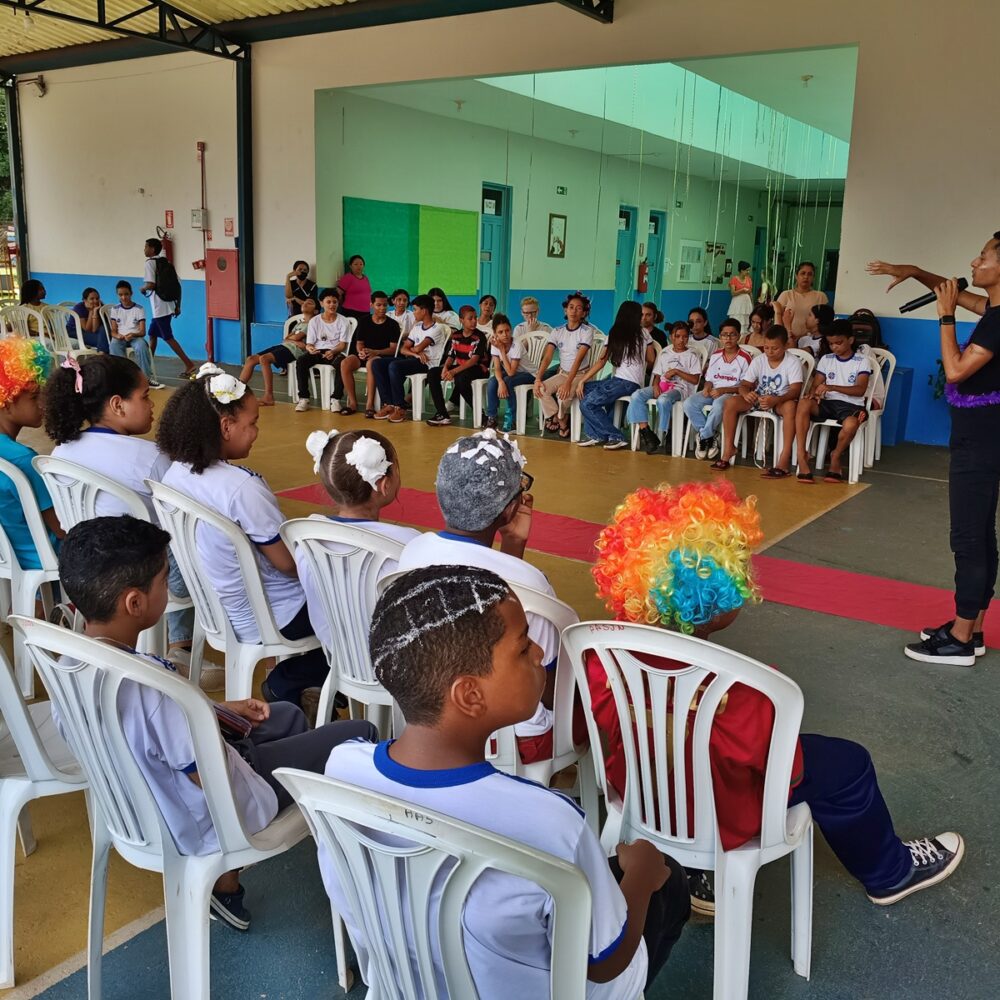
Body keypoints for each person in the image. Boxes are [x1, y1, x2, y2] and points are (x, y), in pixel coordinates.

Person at [588, 480, 964, 912]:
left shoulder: (601, 660)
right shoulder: (747, 691)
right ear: (717, 597)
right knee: (849, 764)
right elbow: (786, 771)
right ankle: (891, 873)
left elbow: (590, 731)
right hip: (721, 815)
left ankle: (694, 872)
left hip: (639, 799)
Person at [320, 565, 690, 997]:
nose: (538, 653)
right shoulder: (549, 821)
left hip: (407, 983)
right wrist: (642, 877)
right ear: (470, 695)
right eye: (522, 648)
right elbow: (605, 963)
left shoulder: (342, 769)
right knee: (670, 882)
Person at [55, 516, 377, 931]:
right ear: (135, 603)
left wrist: (217, 712)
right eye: (163, 579)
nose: (168, 587)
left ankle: (297, 818)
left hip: (148, 796)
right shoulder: (156, 691)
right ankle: (232, 882)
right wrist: (238, 751)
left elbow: (158, 734)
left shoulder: (68, 664)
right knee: (360, 735)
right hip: (211, 812)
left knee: (290, 715)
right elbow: (208, 776)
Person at [156, 365, 329, 709]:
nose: (256, 432)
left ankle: (318, 688)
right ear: (225, 427)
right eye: (251, 424)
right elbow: (288, 565)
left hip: (220, 607)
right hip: (274, 614)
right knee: (358, 603)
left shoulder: (175, 474)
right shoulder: (240, 488)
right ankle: (289, 681)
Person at [868, 236, 1000, 666]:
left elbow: (957, 369)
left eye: (984, 256)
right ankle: (973, 628)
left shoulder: (998, 321)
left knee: (967, 536)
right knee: (979, 533)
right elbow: (958, 293)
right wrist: (916, 273)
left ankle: (960, 639)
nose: (974, 261)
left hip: (981, 442)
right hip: (982, 436)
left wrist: (944, 318)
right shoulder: (995, 310)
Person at [44, 353, 209, 683]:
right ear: (118, 405)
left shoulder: (60, 452)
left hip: (84, 567)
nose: (151, 406)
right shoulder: (148, 458)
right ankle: (183, 644)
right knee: (195, 544)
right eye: (145, 396)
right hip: (140, 571)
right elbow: (184, 512)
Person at [396, 430, 557, 763]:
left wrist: (513, 549)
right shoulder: (529, 583)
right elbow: (548, 679)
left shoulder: (412, 553)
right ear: (511, 509)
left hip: (429, 725)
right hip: (512, 739)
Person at [299, 429, 419, 651]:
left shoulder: (306, 538)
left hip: (339, 657)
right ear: (384, 484)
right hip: (400, 664)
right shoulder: (408, 545)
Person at [0, 338, 62, 570]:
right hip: (44, 560)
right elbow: (62, 528)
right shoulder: (22, 459)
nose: (43, 404)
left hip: (8, 560)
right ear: (6, 401)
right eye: (35, 397)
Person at [714, 325, 803, 477]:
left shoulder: (792, 362)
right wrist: (746, 394)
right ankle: (729, 448)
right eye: (766, 347)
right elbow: (744, 384)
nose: (769, 352)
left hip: (780, 400)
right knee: (730, 403)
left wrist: (776, 400)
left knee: (790, 407)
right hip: (759, 398)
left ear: (785, 346)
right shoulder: (760, 360)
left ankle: (784, 458)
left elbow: (795, 390)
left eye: (774, 348)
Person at [794, 319, 871, 485]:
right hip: (828, 403)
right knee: (803, 403)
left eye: (839, 343)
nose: (835, 347)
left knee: (850, 425)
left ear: (850, 340)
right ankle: (801, 455)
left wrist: (832, 387)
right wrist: (814, 394)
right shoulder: (826, 359)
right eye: (831, 344)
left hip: (852, 406)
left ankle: (836, 455)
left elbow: (860, 390)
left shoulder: (861, 361)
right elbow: (816, 385)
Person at [578, 301, 656, 450]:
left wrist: (582, 379)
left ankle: (616, 436)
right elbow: (651, 359)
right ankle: (595, 434)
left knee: (587, 403)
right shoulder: (644, 333)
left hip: (623, 382)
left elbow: (601, 361)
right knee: (586, 389)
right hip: (627, 383)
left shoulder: (614, 333)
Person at [371, 294, 448, 424]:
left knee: (395, 366)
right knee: (377, 363)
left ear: (424, 311)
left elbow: (417, 347)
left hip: (428, 364)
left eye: (415, 309)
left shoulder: (437, 328)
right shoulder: (417, 327)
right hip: (416, 359)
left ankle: (400, 408)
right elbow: (404, 349)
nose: (414, 313)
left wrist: (415, 351)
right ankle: (388, 404)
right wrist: (415, 354)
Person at [627, 321, 701, 456]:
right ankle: (647, 434)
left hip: (679, 389)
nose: (681, 340)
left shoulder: (692, 355)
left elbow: (695, 379)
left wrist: (677, 371)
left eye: (685, 337)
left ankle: (663, 433)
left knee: (663, 399)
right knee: (637, 395)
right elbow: (657, 374)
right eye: (677, 336)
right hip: (662, 385)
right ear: (671, 336)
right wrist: (655, 384)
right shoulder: (665, 353)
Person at [684, 319, 752, 460]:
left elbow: (746, 386)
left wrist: (723, 390)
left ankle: (703, 437)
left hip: (732, 393)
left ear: (739, 336)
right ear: (720, 336)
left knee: (719, 404)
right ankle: (710, 434)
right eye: (724, 335)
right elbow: (709, 378)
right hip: (714, 390)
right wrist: (707, 387)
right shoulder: (715, 355)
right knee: (689, 403)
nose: (728, 338)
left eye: (732, 335)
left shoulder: (745, 358)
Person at [534, 291, 596, 439]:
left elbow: (578, 359)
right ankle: (561, 419)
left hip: (581, 376)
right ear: (565, 310)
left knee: (562, 396)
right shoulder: (557, 331)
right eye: (571, 307)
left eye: (578, 308)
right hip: (562, 373)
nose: (574, 311)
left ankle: (558, 419)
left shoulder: (587, 331)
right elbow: (548, 357)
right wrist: (537, 379)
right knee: (541, 388)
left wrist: (568, 383)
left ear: (584, 313)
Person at [240, 297, 317, 407]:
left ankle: (268, 396)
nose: (305, 303)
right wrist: (293, 340)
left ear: (315, 311)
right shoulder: (299, 323)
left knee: (264, 359)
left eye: (310, 303)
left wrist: (293, 339)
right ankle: (237, 389)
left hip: (294, 350)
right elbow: (288, 338)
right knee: (251, 359)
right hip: (285, 346)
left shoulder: (312, 323)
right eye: (304, 302)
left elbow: (297, 337)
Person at [141, 238, 197, 378]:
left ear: (152, 249)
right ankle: (147, 366)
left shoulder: (149, 263)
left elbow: (151, 285)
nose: (144, 249)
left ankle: (189, 364)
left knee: (168, 337)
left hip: (159, 307)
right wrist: (177, 305)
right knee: (153, 335)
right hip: (168, 304)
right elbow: (178, 284)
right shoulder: (165, 263)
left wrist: (142, 289)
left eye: (146, 247)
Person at [339, 291, 399, 418]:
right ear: (371, 305)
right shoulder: (364, 321)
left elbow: (393, 349)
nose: (382, 308)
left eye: (384, 305)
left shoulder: (392, 324)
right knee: (345, 363)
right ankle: (353, 403)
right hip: (365, 354)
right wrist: (361, 352)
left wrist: (376, 352)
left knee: (372, 363)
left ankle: (369, 404)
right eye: (378, 305)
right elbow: (359, 342)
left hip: (381, 356)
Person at [293, 288, 352, 413]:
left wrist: (333, 352)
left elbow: (342, 345)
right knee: (301, 361)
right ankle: (303, 398)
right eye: (328, 302)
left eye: (335, 302)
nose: (332, 305)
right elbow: (309, 343)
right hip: (318, 351)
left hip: (335, 351)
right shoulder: (315, 321)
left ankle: (335, 399)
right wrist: (310, 348)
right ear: (321, 303)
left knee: (342, 364)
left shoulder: (343, 321)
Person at [426, 305, 487, 426]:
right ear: (461, 320)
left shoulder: (479, 336)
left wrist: (453, 372)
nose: (474, 321)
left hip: (478, 369)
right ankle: (442, 414)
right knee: (433, 373)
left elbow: (473, 360)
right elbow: (451, 355)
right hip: (462, 368)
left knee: (461, 378)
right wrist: (445, 368)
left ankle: (481, 415)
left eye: (475, 317)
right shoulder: (456, 336)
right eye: (470, 318)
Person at [484, 313, 536, 432]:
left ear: (511, 329)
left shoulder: (516, 344)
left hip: (529, 374)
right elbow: (497, 368)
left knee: (508, 380)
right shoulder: (495, 344)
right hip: (512, 374)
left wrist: (502, 350)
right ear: (495, 333)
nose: (505, 335)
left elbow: (511, 372)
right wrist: (500, 382)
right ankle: (492, 417)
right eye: (500, 332)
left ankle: (512, 420)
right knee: (493, 382)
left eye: (507, 330)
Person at [108, 280, 161, 387]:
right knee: (113, 345)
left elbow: (142, 332)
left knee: (141, 346)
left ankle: (146, 378)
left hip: (135, 337)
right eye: (120, 295)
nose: (123, 297)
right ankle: (123, 378)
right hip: (120, 338)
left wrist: (132, 334)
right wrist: (118, 336)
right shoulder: (115, 309)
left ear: (131, 293)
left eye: (126, 294)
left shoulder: (139, 309)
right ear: (117, 295)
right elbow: (113, 331)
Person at [775, 261, 829, 340]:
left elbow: (825, 321)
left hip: (812, 340)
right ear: (796, 276)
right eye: (803, 273)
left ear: (813, 278)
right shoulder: (786, 295)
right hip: (788, 339)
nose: (806, 277)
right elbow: (778, 319)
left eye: (809, 274)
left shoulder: (820, 296)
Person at [69, 287, 110, 353]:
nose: (95, 301)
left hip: (89, 331)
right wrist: (91, 311)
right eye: (92, 299)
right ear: (84, 300)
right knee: (103, 340)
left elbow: (94, 330)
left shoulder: (100, 307)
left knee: (103, 329)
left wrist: (95, 311)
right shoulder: (79, 308)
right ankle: (102, 356)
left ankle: (102, 354)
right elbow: (87, 329)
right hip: (74, 331)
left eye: (97, 298)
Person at [335, 254, 373, 323]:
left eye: (361, 264)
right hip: (350, 311)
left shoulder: (366, 278)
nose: (359, 266)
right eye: (356, 264)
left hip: (365, 311)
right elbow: (338, 294)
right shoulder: (348, 277)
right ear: (350, 266)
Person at [728, 261, 754, 331]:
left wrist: (752, 304)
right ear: (742, 270)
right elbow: (733, 293)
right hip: (738, 303)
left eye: (749, 270)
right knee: (738, 318)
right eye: (746, 270)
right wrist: (742, 291)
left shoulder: (749, 279)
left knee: (747, 320)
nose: (748, 272)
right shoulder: (734, 279)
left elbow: (750, 292)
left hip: (747, 303)